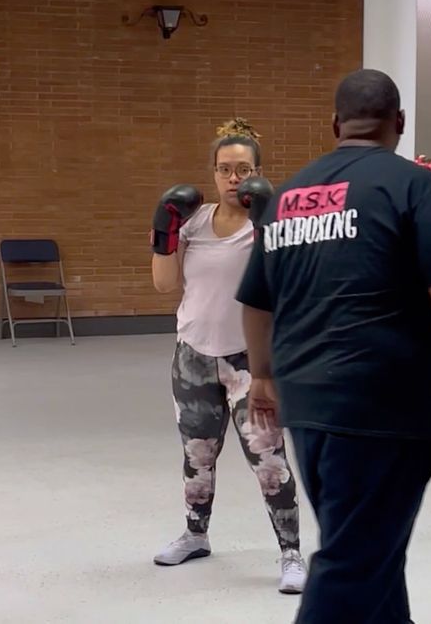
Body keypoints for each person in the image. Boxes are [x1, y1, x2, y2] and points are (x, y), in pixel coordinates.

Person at [235, 69, 431, 624]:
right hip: (380, 409)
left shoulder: (287, 197)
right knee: (355, 562)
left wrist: (261, 374)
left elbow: (256, 302)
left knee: (372, 549)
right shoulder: (413, 185)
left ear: (336, 124)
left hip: (307, 409)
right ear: (399, 121)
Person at [148, 118, 306, 594]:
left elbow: (289, 288)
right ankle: (196, 535)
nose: (233, 178)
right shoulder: (192, 221)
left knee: (269, 459)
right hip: (193, 355)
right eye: (224, 169)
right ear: (213, 173)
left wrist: (271, 228)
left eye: (243, 169)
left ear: (257, 171)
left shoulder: (271, 222)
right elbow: (164, 283)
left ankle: (291, 553)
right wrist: (163, 231)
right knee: (197, 455)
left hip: (250, 362)